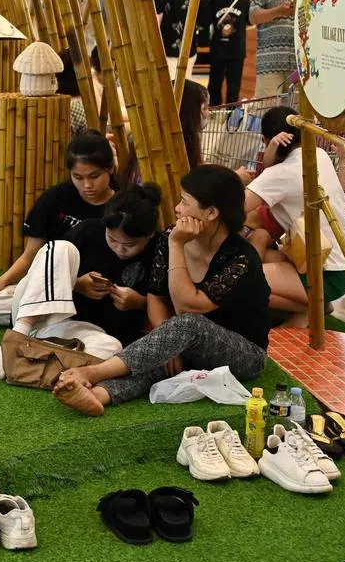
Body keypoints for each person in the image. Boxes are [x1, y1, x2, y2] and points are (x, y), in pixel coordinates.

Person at [53, 165, 270, 416]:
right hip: (187, 341)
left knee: (187, 325)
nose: (177, 208)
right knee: (158, 358)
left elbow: (188, 307)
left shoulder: (240, 258)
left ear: (211, 212)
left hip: (243, 353)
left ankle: (91, 373)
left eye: (185, 201)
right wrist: (168, 344)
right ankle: (97, 396)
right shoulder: (169, 237)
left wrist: (177, 244)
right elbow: (156, 296)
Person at [0, 185, 162, 378]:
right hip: (49, 315)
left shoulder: (159, 251)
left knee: (112, 350)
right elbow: (50, 266)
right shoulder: (89, 229)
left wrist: (139, 302)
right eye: (112, 239)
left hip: (84, 332)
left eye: (129, 245)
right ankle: (17, 338)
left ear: (150, 235)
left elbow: (166, 306)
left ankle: (5, 353)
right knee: (60, 249)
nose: (119, 249)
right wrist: (77, 284)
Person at [0, 130, 117, 323]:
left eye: (94, 176)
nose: (86, 185)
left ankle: (41, 321)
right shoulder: (56, 197)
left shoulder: (120, 206)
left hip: (98, 294)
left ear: (110, 169)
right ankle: (51, 319)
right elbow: (31, 255)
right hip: (51, 283)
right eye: (78, 177)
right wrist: (2, 281)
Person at [241, 106, 345, 314]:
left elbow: (236, 209)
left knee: (239, 284)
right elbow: (342, 188)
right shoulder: (318, 155)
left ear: (266, 141)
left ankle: (313, 307)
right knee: (262, 252)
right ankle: (315, 306)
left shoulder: (279, 174)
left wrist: (236, 179)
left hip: (325, 274)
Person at [250, 0, 305, 98]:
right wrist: (279, 11)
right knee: (265, 111)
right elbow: (253, 16)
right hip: (270, 63)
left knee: (297, 116)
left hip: (301, 65)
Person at [206, 0, 250, 106]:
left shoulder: (215, 1)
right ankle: (231, 117)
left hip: (217, 48)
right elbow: (250, 21)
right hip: (237, 49)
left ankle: (214, 112)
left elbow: (206, 20)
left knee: (214, 84)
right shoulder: (244, 2)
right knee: (234, 85)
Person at [156, 0, 201, 79]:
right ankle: (186, 97)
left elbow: (156, 10)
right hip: (190, 46)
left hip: (171, 46)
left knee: (172, 80)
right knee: (187, 79)